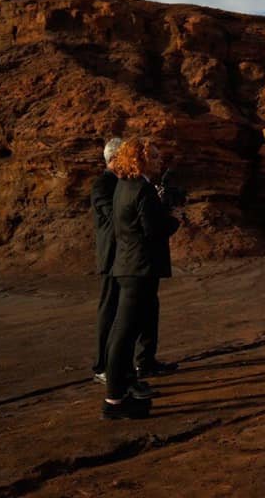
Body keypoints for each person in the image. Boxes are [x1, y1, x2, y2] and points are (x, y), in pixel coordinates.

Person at [104, 138, 179, 419]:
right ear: (142, 160)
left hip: (127, 265)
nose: (159, 161)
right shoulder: (142, 189)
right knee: (124, 333)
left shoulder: (123, 186)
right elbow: (153, 230)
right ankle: (114, 400)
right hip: (139, 268)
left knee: (124, 331)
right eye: (154, 156)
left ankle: (122, 391)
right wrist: (174, 217)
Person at [90, 137, 121, 384]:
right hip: (112, 256)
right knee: (109, 309)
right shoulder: (102, 184)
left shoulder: (121, 182)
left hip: (126, 255)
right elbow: (112, 216)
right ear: (114, 158)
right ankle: (102, 365)